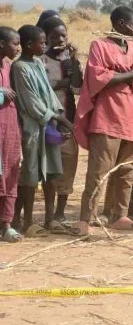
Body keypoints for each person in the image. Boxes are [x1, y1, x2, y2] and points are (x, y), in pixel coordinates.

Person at [74, 6, 133, 234]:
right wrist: (127, 75)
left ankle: (119, 215)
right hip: (107, 116)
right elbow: (96, 76)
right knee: (98, 171)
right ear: (120, 23)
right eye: (132, 23)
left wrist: (122, 76)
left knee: (126, 170)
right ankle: (85, 218)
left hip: (130, 116)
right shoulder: (99, 46)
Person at [11, 25, 74, 236]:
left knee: (52, 172)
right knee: (30, 173)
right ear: (29, 45)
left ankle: (49, 219)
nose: (45, 46)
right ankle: (27, 221)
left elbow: (48, 93)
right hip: (32, 127)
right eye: (42, 42)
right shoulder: (19, 67)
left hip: (48, 125)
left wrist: (57, 115)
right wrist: (56, 116)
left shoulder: (37, 62)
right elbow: (31, 102)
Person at [39, 16, 82, 226]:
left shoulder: (69, 60)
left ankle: (60, 213)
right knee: (50, 170)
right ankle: (48, 214)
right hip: (48, 123)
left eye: (64, 35)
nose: (60, 39)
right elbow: (45, 86)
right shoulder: (41, 60)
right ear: (46, 38)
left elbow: (77, 88)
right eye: (55, 36)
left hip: (69, 122)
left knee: (68, 167)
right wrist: (61, 82)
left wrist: (74, 61)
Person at [0, 27, 21, 242]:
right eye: (14, 44)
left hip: (10, 129)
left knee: (10, 173)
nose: (17, 48)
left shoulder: (7, 66)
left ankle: (6, 224)